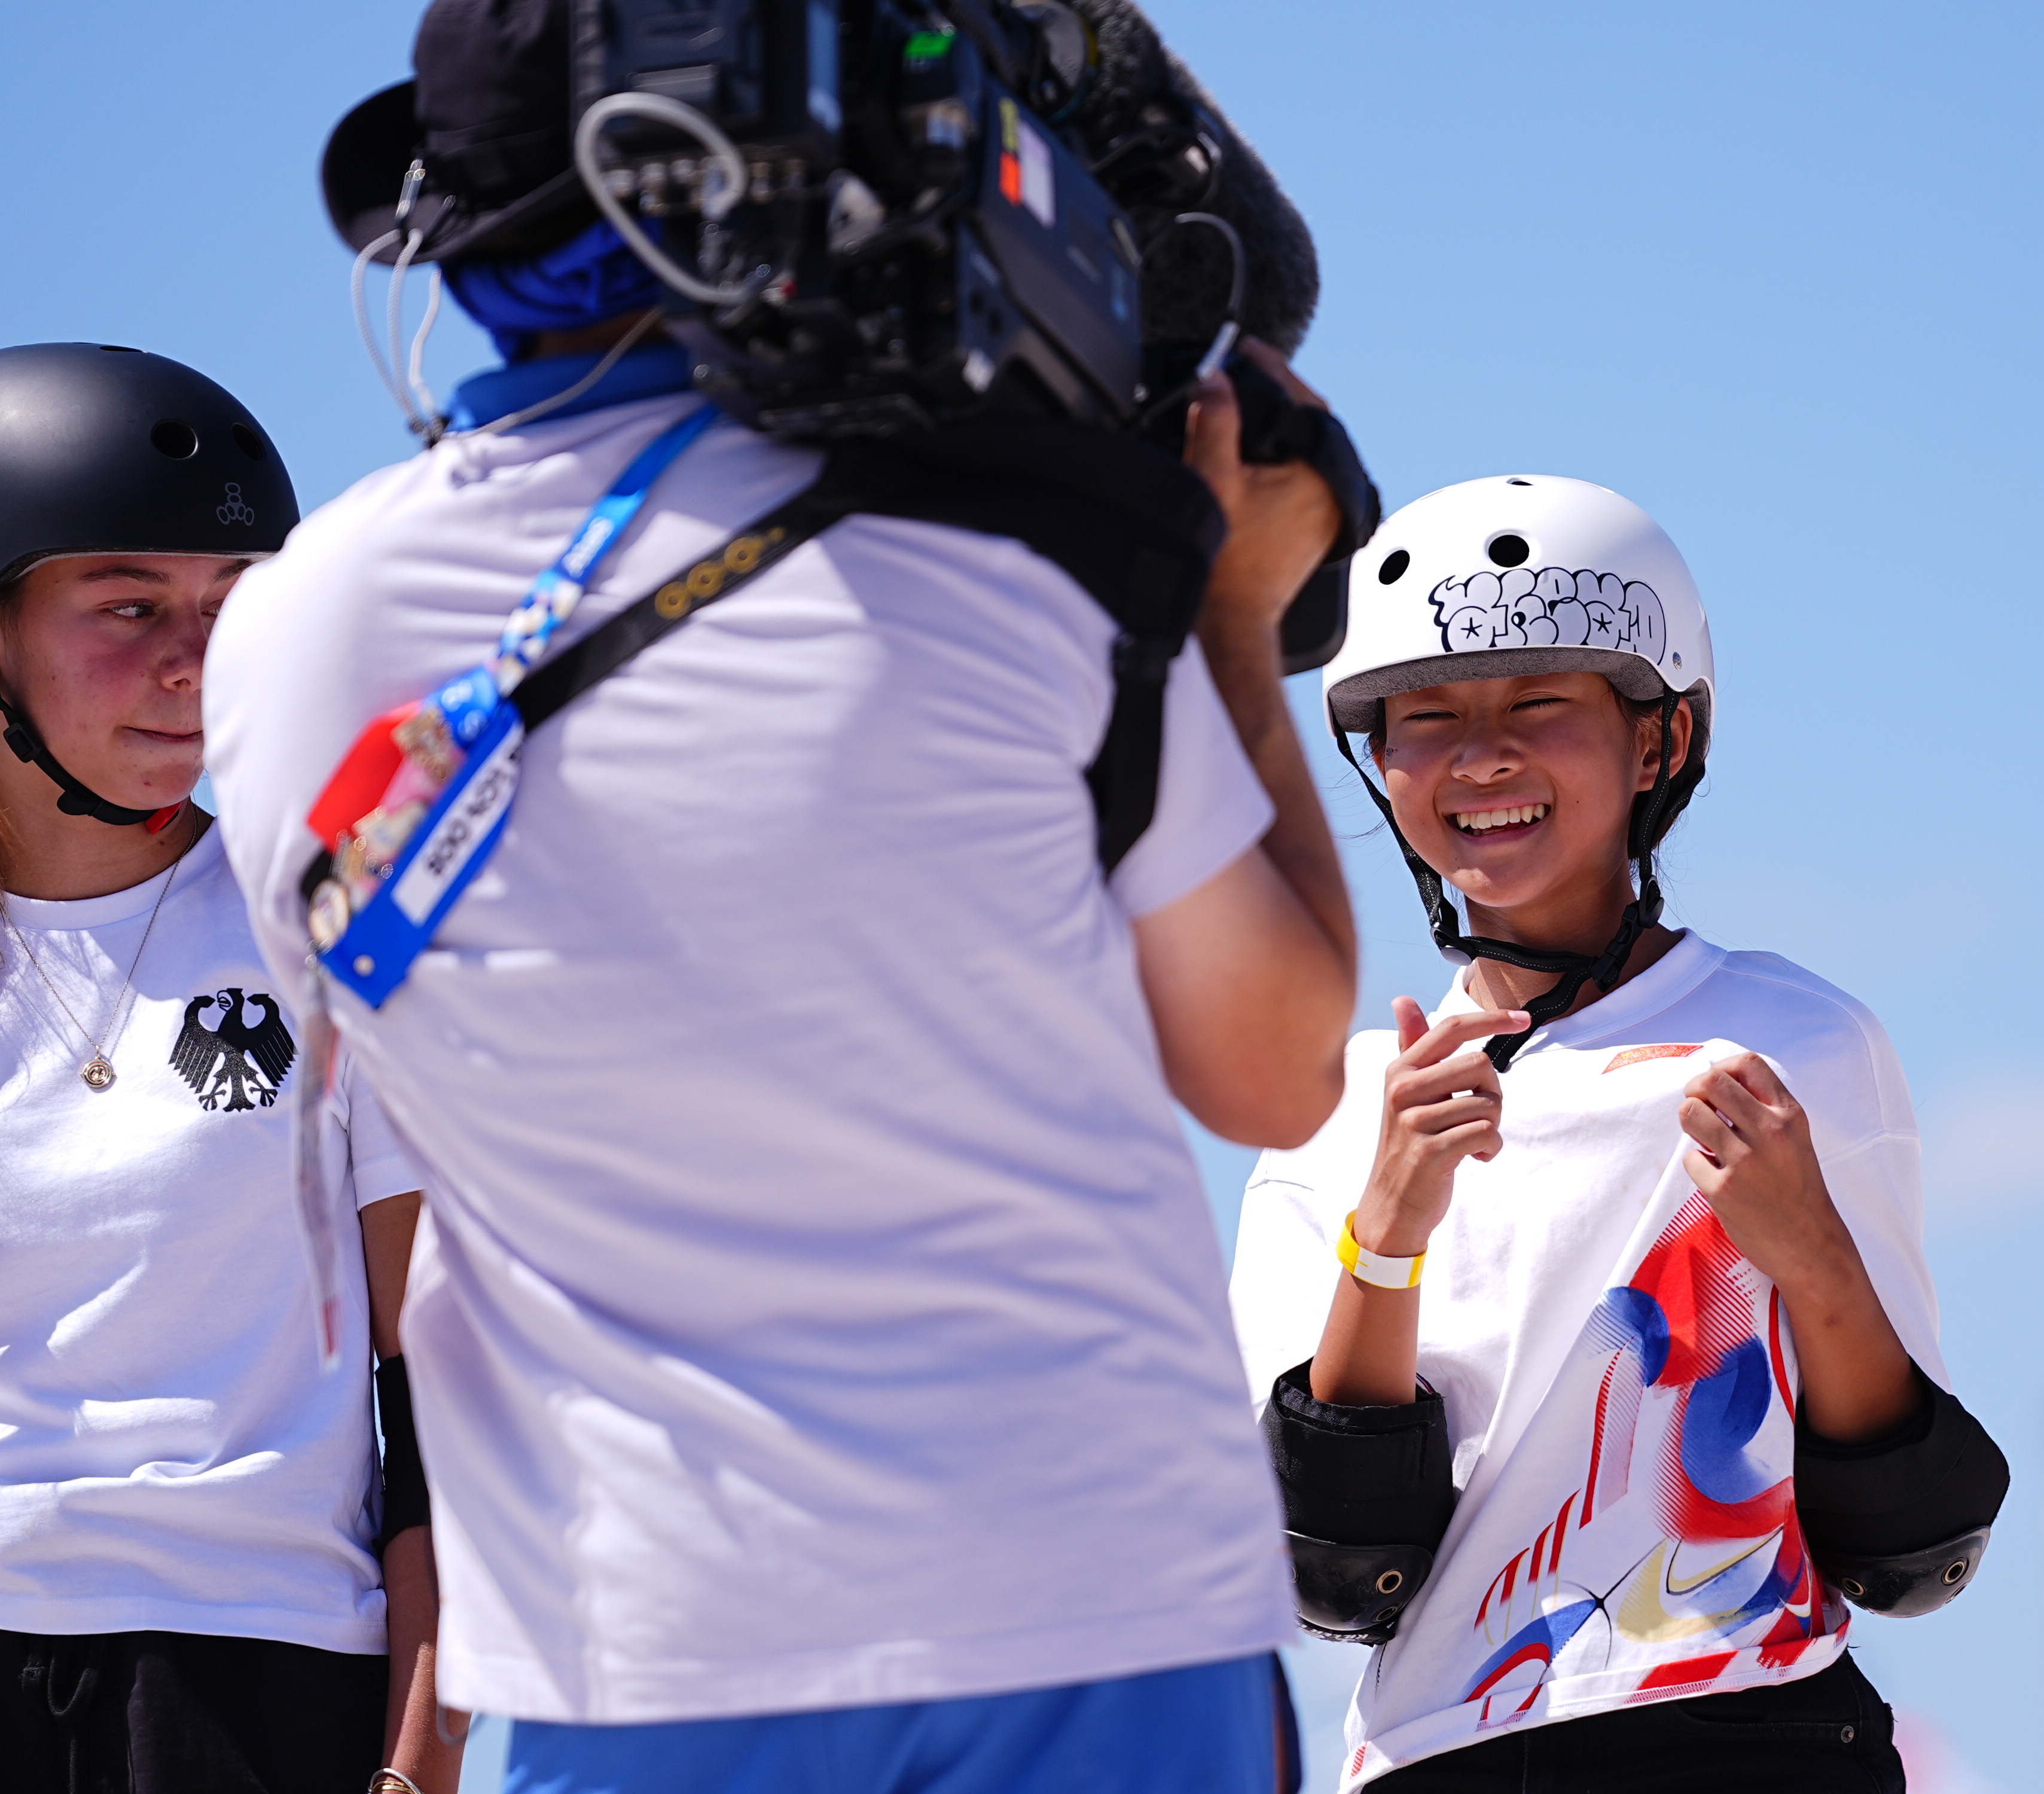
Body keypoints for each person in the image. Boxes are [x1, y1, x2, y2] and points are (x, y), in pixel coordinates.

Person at [200, 2, 1357, 1789]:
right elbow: (1274, 1068)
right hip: (1100, 1611)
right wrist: (1225, 608)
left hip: (634, 1655)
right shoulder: (1016, 571)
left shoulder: (294, 632)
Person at [1228, 476, 2012, 1792]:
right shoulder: (1334, 1108)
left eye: (1539, 703)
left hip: (1756, 1735)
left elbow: (1906, 1538)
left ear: (1658, 741)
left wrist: (1809, 1254)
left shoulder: (1796, 1041)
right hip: (1441, 1753)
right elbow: (1338, 1564)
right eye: (1426, 719)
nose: (1480, 758)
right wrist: (1388, 1236)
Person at [0, 341, 462, 1793]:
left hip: (256, 1683)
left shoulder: (332, 915)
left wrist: (421, 1756)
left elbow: (441, 1389)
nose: (191, 664)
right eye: (129, 608)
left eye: (231, 607)